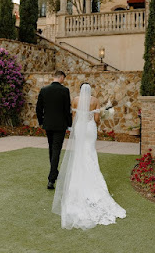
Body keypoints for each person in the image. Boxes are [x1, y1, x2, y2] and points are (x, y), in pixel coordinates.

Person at [52, 83, 126, 230]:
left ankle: (78, 184)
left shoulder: (75, 100)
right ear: (90, 90)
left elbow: (74, 117)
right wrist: (94, 119)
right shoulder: (95, 100)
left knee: (80, 154)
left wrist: (79, 124)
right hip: (90, 128)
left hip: (79, 128)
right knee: (90, 153)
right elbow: (97, 119)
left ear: (80, 90)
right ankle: (93, 183)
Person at [36, 70, 72, 190]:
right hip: (60, 125)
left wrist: (41, 122)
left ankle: (54, 172)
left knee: (52, 148)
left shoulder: (44, 90)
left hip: (48, 124)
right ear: (61, 77)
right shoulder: (65, 91)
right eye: (64, 78)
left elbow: (38, 108)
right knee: (56, 149)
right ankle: (51, 179)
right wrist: (69, 124)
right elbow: (67, 109)